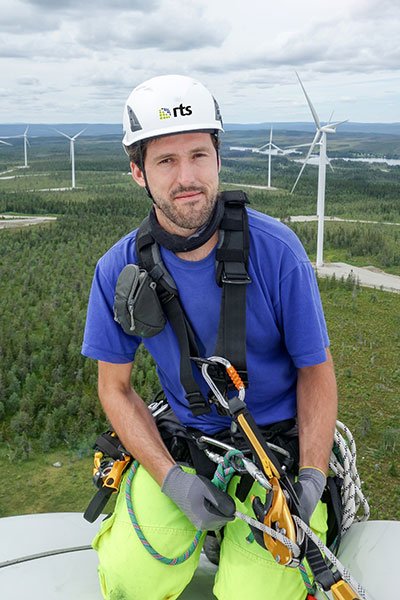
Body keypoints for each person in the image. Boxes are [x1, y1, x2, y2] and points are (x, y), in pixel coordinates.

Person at [82, 74, 338, 600]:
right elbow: (116, 387)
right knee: (131, 581)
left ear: (218, 159)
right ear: (138, 173)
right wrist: (170, 479)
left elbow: (316, 371)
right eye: (166, 161)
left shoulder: (278, 251)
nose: (187, 176)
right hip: (186, 444)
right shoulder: (118, 268)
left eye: (199, 155)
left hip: (279, 451)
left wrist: (311, 476)